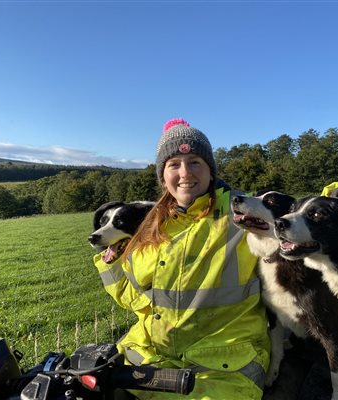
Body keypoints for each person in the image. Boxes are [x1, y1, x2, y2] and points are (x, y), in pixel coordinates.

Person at [93, 119, 270, 399]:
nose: (185, 172)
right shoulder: (151, 225)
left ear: (211, 171)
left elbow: (292, 217)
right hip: (149, 359)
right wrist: (111, 258)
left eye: (195, 161)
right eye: (173, 164)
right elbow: (133, 294)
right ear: (163, 176)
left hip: (224, 368)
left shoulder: (241, 213)